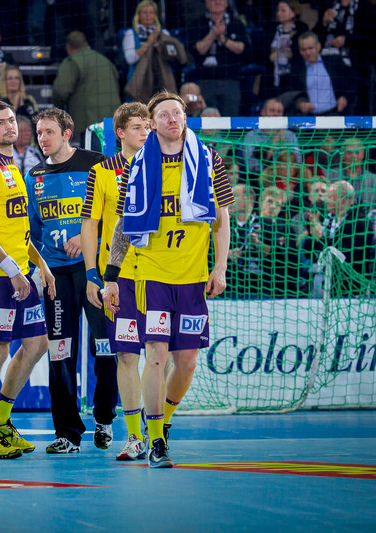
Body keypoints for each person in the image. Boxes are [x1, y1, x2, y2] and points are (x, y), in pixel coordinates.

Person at [101, 91, 233, 468]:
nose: (172, 119)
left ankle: (159, 421)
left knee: (187, 362)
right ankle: (156, 441)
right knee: (155, 356)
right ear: (153, 123)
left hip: (192, 277)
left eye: (177, 112)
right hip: (151, 276)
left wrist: (220, 267)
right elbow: (124, 224)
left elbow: (222, 218)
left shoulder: (209, 159)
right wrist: (111, 276)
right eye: (163, 115)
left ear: (185, 118)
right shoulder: (137, 166)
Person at [0, 100, 55, 459]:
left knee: (37, 345)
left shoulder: (13, 167)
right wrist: (12, 270)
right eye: (0, 122)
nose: (10, 126)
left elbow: (17, 230)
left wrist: (41, 265)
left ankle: (2, 421)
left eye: (12, 120)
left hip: (20, 274)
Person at [25, 107, 114, 454]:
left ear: (66, 133)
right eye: (39, 132)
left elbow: (115, 213)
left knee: (104, 347)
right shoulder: (34, 175)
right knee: (60, 353)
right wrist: (38, 267)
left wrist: (87, 234)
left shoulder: (97, 164)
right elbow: (31, 230)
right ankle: (67, 432)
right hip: (57, 275)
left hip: (94, 271)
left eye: (49, 131)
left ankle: (104, 418)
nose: (42, 138)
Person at [80, 102, 150, 458]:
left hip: (158, 275)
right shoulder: (102, 172)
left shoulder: (165, 167)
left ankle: (157, 426)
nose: (145, 132)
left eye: (147, 126)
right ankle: (133, 435)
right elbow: (90, 224)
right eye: (137, 127)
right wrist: (92, 274)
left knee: (161, 356)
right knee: (124, 354)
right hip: (118, 278)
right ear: (120, 133)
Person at [52, 30, 121, 137]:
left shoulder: (72, 62)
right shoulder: (105, 61)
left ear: (68, 47)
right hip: (112, 121)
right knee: (109, 147)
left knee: (90, 147)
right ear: (86, 44)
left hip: (87, 123)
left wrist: (58, 107)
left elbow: (61, 91)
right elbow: (117, 85)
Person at [189, 0, 247, 117]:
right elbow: (199, 49)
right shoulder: (197, 24)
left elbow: (242, 48)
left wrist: (223, 39)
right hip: (206, 81)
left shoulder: (236, 24)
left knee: (230, 120)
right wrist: (213, 34)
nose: (216, 2)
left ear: (227, 3)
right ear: (206, 4)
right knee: (206, 120)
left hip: (230, 81)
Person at [290, 32, 358, 116]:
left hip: (334, 115)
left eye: (310, 48)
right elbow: (292, 93)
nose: (307, 52)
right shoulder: (296, 71)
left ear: (318, 46)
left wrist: (345, 97)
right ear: (299, 51)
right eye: (303, 50)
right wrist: (300, 103)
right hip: (310, 119)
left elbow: (354, 80)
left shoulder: (333, 62)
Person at [243, 98, 301, 177]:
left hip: (287, 179)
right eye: (272, 110)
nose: (276, 114)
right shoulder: (251, 136)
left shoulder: (290, 135)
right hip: (259, 180)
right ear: (263, 112)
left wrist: (283, 147)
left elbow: (297, 163)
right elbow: (252, 167)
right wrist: (272, 147)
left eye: (279, 112)